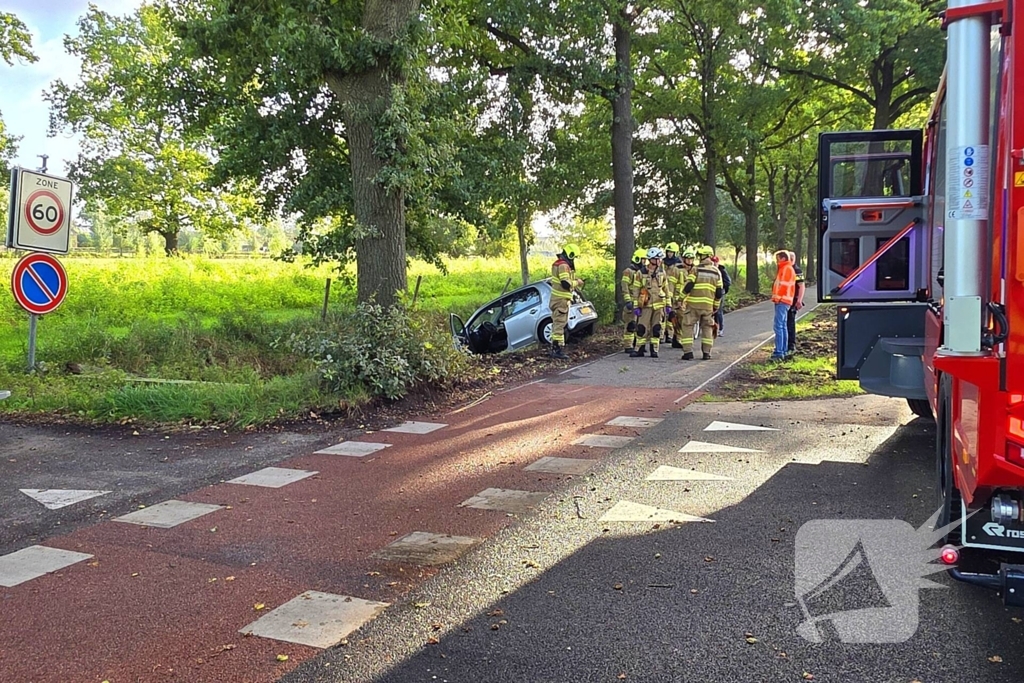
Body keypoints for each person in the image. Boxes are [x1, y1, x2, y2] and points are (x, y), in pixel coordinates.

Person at [680, 245, 723, 360]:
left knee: (687, 326)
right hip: (708, 306)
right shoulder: (717, 272)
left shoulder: (696, 269)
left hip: (693, 305)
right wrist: (716, 306)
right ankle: (706, 353)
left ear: (705, 256)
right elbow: (719, 292)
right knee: (707, 327)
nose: (699, 257)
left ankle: (688, 353)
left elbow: (689, 286)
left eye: (701, 255)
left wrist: (681, 298)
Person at [630, 247, 669, 358]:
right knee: (641, 328)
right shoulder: (641, 273)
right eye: (658, 259)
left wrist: (668, 305)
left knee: (657, 328)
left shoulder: (662, 272)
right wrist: (636, 306)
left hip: (659, 305)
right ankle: (639, 349)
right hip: (645, 306)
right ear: (652, 260)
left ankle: (654, 350)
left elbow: (666, 289)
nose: (660, 261)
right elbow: (636, 290)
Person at [548, 243, 583, 359]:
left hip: (557, 299)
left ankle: (557, 348)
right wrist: (577, 282)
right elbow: (565, 283)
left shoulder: (558, 264)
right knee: (559, 325)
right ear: (570, 255)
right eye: (574, 257)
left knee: (558, 324)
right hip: (561, 300)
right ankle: (556, 350)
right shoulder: (563, 265)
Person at [770, 250, 797, 361]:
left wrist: (778, 298)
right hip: (785, 300)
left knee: (778, 326)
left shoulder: (786, 269)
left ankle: (779, 352)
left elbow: (783, 286)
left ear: (783, 258)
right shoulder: (787, 268)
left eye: (778, 258)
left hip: (782, 300)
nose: (776, 261)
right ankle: (783, 350)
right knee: (783, 326)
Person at [621, 248, 647, 353]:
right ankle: (628, 346)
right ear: (637, 259)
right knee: (630, 325)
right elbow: (624, 286)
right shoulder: (628, 272)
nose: (644, 262)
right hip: (631, 302)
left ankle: (638, 345)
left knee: (640, 324)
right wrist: (628, 301)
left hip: (640, 302)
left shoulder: (642, 272)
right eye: (643, 259)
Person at [663, 242, 683, 347]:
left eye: (671, 252)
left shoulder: (678, 265)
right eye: (668, 252)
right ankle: (662, 335)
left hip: (673, 294)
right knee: (663, 315)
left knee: (672, 316)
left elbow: (680, 282)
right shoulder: (662, 263)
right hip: (663, 293)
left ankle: (670, 335)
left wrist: (677, 296)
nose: (669, 254)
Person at [786, 250, 805, 355]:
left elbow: (801, 286)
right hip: (786, 300)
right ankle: (786, 344)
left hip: (793, 301)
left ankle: (791, 345)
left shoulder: (796, 270)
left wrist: (799, 300)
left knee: (790, 322)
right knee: (785, 323)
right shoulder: (787, 269)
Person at [712, 255, 732, 336]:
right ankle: (713, 327)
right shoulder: (710, 270)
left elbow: (728, 282)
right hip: (711, 292)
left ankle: (720, 328)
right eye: (712, 262)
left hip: (720, 292)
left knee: (718, 311)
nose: (714, 264)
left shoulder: (722, 270)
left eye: (715, 262)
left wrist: (722, 288)